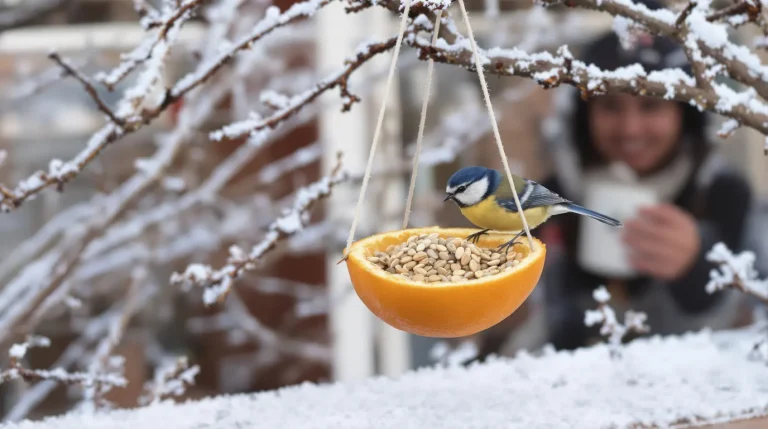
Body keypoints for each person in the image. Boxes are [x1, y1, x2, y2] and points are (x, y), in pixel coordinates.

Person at [534, 26, 755, 350]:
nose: (630, 129)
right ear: (584, 116)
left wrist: (698, 270)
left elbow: (752, 326)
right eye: (610, 106)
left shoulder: (725, 195)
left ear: (684, 113)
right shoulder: (550, 201)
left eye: (651, 106)